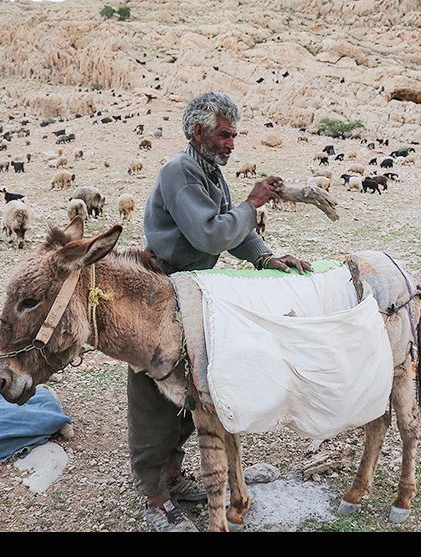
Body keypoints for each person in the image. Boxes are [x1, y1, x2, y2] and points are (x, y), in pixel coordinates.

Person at [132, 91, 313, 532]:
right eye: (224, 135)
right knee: (155, 392)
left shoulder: (208, 171)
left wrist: (265, 257)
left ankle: (174, 477)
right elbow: (213, 235)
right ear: (199, 133)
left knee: (193, 386)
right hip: (162, 290)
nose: (232, 143)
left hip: (191, 289)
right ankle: (155, 497)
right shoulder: (180, 172)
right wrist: (252, 204)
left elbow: (230, 228)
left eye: (234, 135)